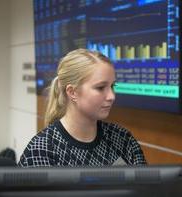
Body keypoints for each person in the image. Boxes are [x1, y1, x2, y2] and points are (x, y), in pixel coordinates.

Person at [18, 49, 147, 167]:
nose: (111, 96)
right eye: (100, 88)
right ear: (72, 92)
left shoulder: (123, 140)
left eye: (112, 86)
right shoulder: (41, 150)